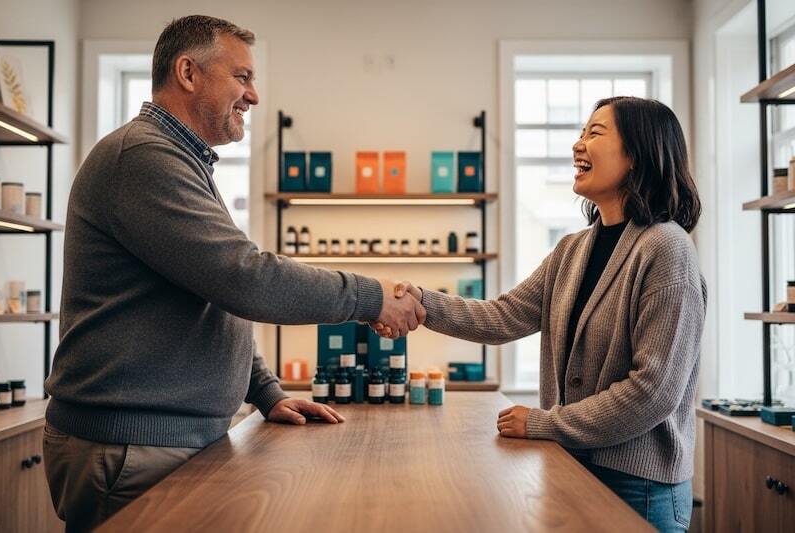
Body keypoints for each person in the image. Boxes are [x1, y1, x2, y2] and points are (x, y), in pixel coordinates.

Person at [42, 15, 424, 532]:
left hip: (160, 441)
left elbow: (212, 293)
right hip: (131, 445)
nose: (254, 96)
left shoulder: (180, 161)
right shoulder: (145, 157)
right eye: (242, 77)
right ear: (188, 73)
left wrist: (265, 391)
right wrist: (370, 296)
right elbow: (245, 280)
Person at [381, 97, 705, 532]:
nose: (578, 144)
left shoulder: (667, 249)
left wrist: (544, 423)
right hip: (573, 464)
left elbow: (653, 392)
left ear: (637, 154)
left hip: (638, 485)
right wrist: (422, 301)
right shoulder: (572, 249)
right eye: (581, 132)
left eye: (595, 133)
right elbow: (502, 317)